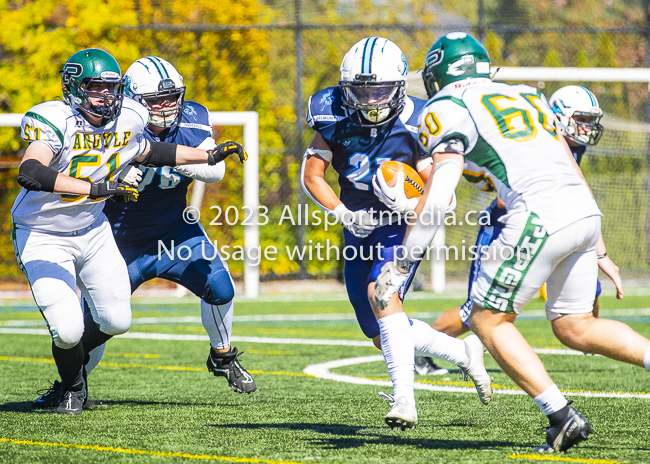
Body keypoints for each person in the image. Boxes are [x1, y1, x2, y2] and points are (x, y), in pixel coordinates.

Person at [374, 32, 650, 452]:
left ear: (438, 74)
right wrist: (599, 247)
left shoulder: (446, 106)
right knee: (575, 326)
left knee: (486, 320)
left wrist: (402, 263)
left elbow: (442, 186)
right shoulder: (526, 96)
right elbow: (570, 170)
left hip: (538, 214)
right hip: (583, 211)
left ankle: (561, 416)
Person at [14, 48, 246, 415]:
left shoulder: (127, 121)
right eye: (95, 88)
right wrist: (100, 187)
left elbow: (150, 151)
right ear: (73, 89)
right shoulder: (56, 120)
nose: (105, 97)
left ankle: (222, 354)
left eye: (111, 88)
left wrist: (209, 155)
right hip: (48, 231)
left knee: (117, 320)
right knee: (70, 327)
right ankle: (71, 388)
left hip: (97, 229)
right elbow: (29, 172)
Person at [301, 37, 492, 431]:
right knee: (379, 332)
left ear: (401, 87)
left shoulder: (417, 120)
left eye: (380, 90)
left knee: (381, 295)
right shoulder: (332, 113)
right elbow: (312, 175)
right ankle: (462, 351)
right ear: (345, 88)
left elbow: (439, 190)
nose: (371, 100)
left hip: (399, 228)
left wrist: (410, 205)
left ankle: (404, 398)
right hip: (356, 227)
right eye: (361, 90)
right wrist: (342, 213)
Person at [80, 56, 256, 395]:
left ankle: (222, 356)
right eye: (155, 100)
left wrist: (175, 157)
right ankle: (73, 382)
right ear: (131, 100)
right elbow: (81, 175)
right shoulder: (109, 123)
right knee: (99, 322)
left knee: (221, 288)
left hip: (173, 231)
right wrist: (112, 175)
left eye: (171, 97)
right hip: (116, 240)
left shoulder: (193, 117)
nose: (165, 106)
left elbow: (214, 170)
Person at [429, 84, 620, 339]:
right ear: (559, 117)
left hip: (551, 225)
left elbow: (584, 198)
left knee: (589, 291)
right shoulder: (540, 141)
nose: (587, 127)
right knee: (475, 312)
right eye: (581, 120)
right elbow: (505, 201)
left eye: (590, 121)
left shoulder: (574, 145)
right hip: (506, 227)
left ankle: (592, 340)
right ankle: (423, 346)